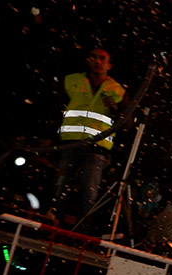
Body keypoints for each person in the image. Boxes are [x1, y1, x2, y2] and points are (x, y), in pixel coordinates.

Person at [51, 47, 126, 226]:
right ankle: (53, 222)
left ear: (109, 65)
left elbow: (127, 122)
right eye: (94, 57)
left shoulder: (117, 90)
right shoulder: (72, 81)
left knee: (89, 193)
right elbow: (54, 109)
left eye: (102, 58)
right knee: (60, 186)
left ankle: (81, 231)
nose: (97, 61)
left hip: (96, 148)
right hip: (70, 143)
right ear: (87, 60)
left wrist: (117, 109)